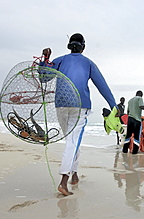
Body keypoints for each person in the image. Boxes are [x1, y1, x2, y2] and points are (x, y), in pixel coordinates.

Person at [41, 33, 118, 196]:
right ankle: (64, 180)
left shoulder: (60, 60)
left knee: (71, 141)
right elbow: (102, 86)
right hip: (80, 106)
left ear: (69, 46)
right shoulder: (88, 63)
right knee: (73, 142)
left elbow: (44, 78)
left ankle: (74, 174)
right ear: (83, 47)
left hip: (61, 105)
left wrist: (45, 60)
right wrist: (114, 106)